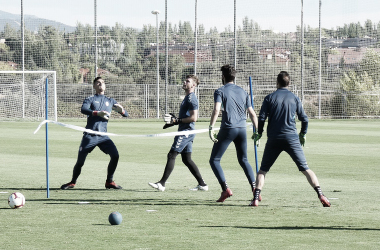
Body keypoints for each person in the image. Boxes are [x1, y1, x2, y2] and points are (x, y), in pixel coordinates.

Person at [250, 71, 330, 207]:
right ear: (289, 83)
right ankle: (321, 194)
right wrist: (303, 134)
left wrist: (260, 132)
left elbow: (262, 118)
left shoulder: (269, 98)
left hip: (274, 138)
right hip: (292, 138)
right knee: (305, 169)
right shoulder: (295, 98)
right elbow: (304, 119)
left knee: (263, 170)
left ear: (277, 82)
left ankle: (256, 199)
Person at [60, 76, 128, 190]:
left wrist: (122, 111)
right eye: (98, 82)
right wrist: (97, 113)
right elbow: (83, 109)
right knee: (80, 162)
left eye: (102, 82)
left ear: (105, 86)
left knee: (115, 155)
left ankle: (109, 182)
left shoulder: (110, 100)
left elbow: (125, 114)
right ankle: (72, 182)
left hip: (103, 137)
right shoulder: (90, 99)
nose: (101, 84)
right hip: (90, 135)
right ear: (94, 86)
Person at [148, 75, 208, 192]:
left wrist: (177, 121)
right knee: (186, 159)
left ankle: (162, 184)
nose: (184, 82)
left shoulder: (191, 98)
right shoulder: (187, 97)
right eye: (185, 80)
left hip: (186, 132)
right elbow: (185, 117)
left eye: (188, 81)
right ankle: (202, 184)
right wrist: (174, 121)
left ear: (194, 85)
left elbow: (194, 118)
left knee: (172, 155)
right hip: (186, 131)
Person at [209, 64, 259, 203]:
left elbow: (216, 110)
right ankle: (256, 190)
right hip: (242, 129)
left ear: (223, 77)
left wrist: (211, 127)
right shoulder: (243, 91)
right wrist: (258, 132)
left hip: (228, 128)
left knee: (214, 160)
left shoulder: (220, 91)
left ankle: (225, 189)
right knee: (244, 160)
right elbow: (252, 114)